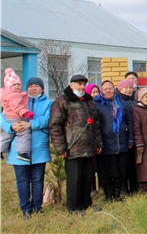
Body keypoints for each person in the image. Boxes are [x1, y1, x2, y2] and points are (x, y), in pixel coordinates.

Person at [49, 74, 103, 215]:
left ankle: (86, 203)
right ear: (72, 85)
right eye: (79, 84)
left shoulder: (89, 101)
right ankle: (73, 207)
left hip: (88, 146)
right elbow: (55, 126)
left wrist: (98, 143)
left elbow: (96, 124)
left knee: (86, 178)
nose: (82, 87)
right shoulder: (62, 101)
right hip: (72, 147)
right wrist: (61, 148)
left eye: (84, 84)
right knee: (74, 180)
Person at [1, 76, 51, 219]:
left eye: (37, 86)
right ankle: (26, 209)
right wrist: (11, 126)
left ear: (42, 88)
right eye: (30, 86)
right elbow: (3, 117)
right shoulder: (18, 98)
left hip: (39, 146)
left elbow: (48, 119)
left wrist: (31, 124)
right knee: (22, 179)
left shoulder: (48, 103)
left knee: (37, 178)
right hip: (19, 147)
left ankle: (37, 206)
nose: (33, 88)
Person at [94, 80, 133, 202]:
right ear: (102, 90)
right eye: (105, 89)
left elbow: (129, 122)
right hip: (105, 143)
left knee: (120, 171)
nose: (108, 91)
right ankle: (108, 196)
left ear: (114, 89)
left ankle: (117, 195)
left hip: (121, 142)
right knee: (106, 172)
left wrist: (130, 139)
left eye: (110, 88)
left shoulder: (121, 103)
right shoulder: (96, 104)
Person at [1, 69, 33, 162]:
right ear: (9, 87)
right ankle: (22, 153)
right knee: (24, 133)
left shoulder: (7, 95)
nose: (16, 86)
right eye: (14, 85)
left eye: (18, 84)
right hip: (16, 117)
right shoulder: (14, 95)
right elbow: (16, 107)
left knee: (7, 136)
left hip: (9, 118)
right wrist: (26, 113)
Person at [116, 79, 138, 194]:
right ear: (120, 88)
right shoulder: (118, 101)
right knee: (125, 164)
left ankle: (134, 186)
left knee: (133, 163)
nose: (128, 90)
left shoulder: (134, 101)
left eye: (130, 88)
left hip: (135, 135)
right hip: (124, 136)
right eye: (126, 88)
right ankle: (124, 188)